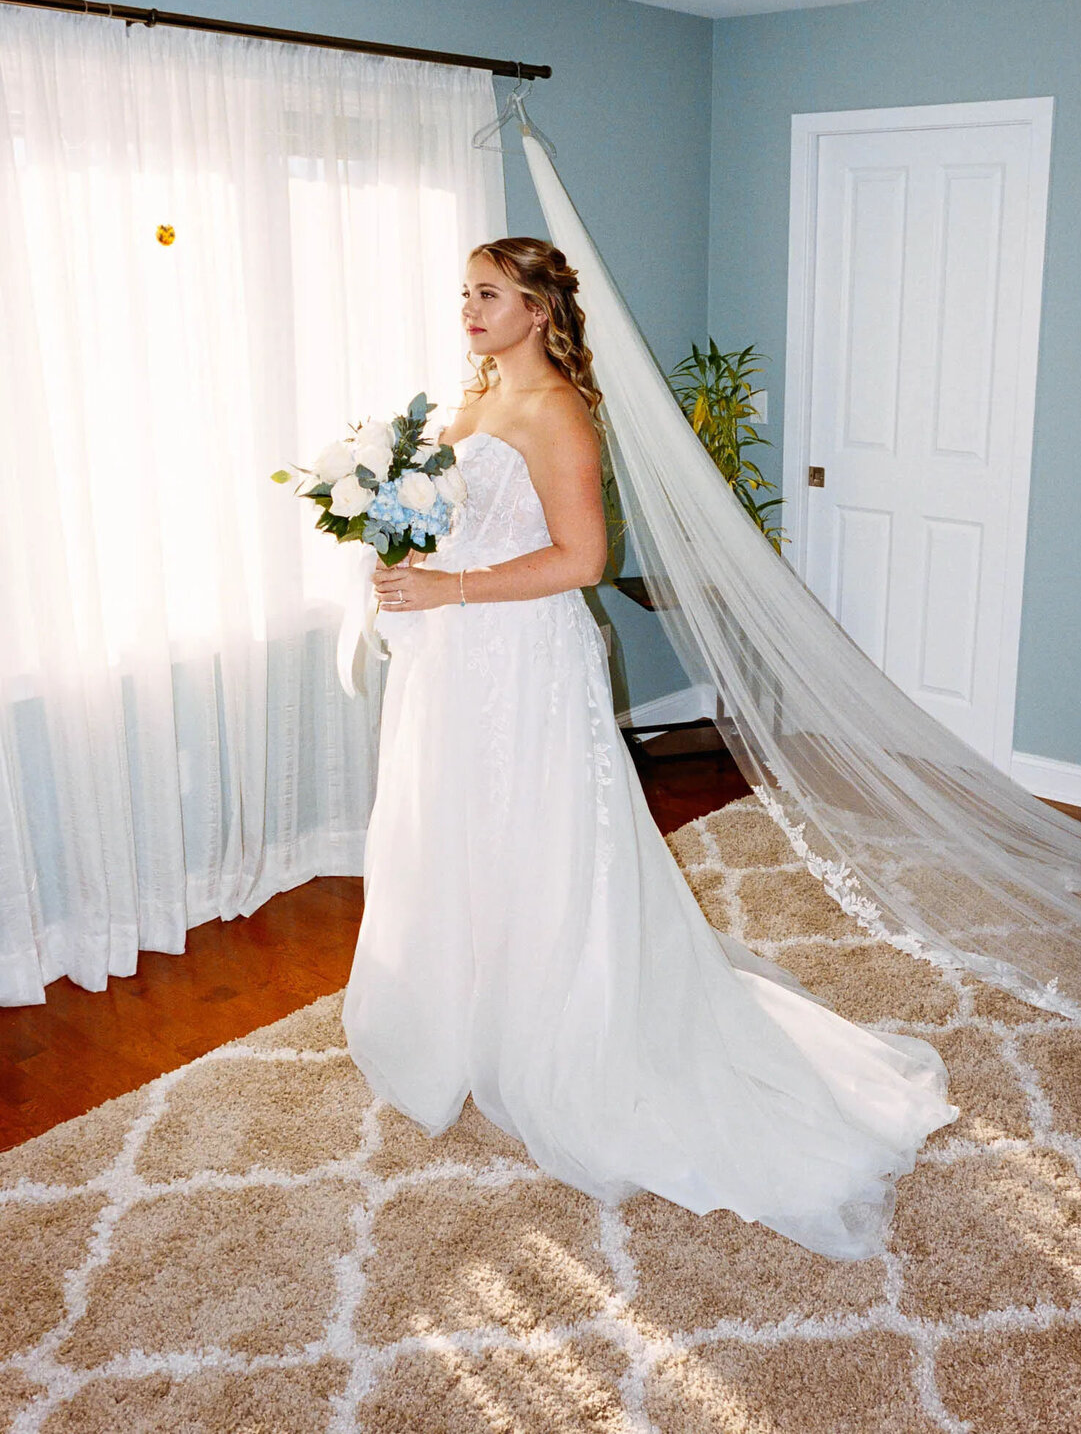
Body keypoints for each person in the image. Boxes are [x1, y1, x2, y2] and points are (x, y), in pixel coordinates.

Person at [340, 237, 958, 1260]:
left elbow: (584, 557)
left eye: (488, 294)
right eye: (465, 293)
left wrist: (445, 587)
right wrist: (400, 555)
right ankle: (466, 1007)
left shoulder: (555, 413)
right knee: (458, 830)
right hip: (454, 658)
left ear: (540, 309)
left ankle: (557, 1020)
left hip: (522, 658)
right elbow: (457, 524)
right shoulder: (464, 404)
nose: (469, 309)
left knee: (535, 835)